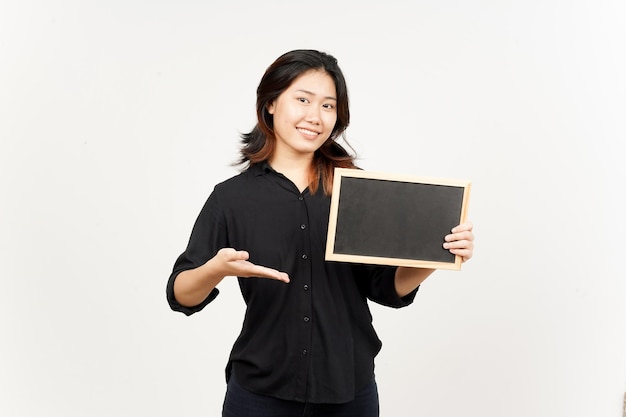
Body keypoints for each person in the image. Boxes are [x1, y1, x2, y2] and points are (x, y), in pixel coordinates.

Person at [166, 49, 474, 417]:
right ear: (270, 104)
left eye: (328, 106)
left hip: (348, 390)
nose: (315, 116)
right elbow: (181, 294)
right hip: (260, 392)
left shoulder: (358, 191)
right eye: (303, 100)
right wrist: (215, 269)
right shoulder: (231, 198)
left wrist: (436, 255)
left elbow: (385, 288)